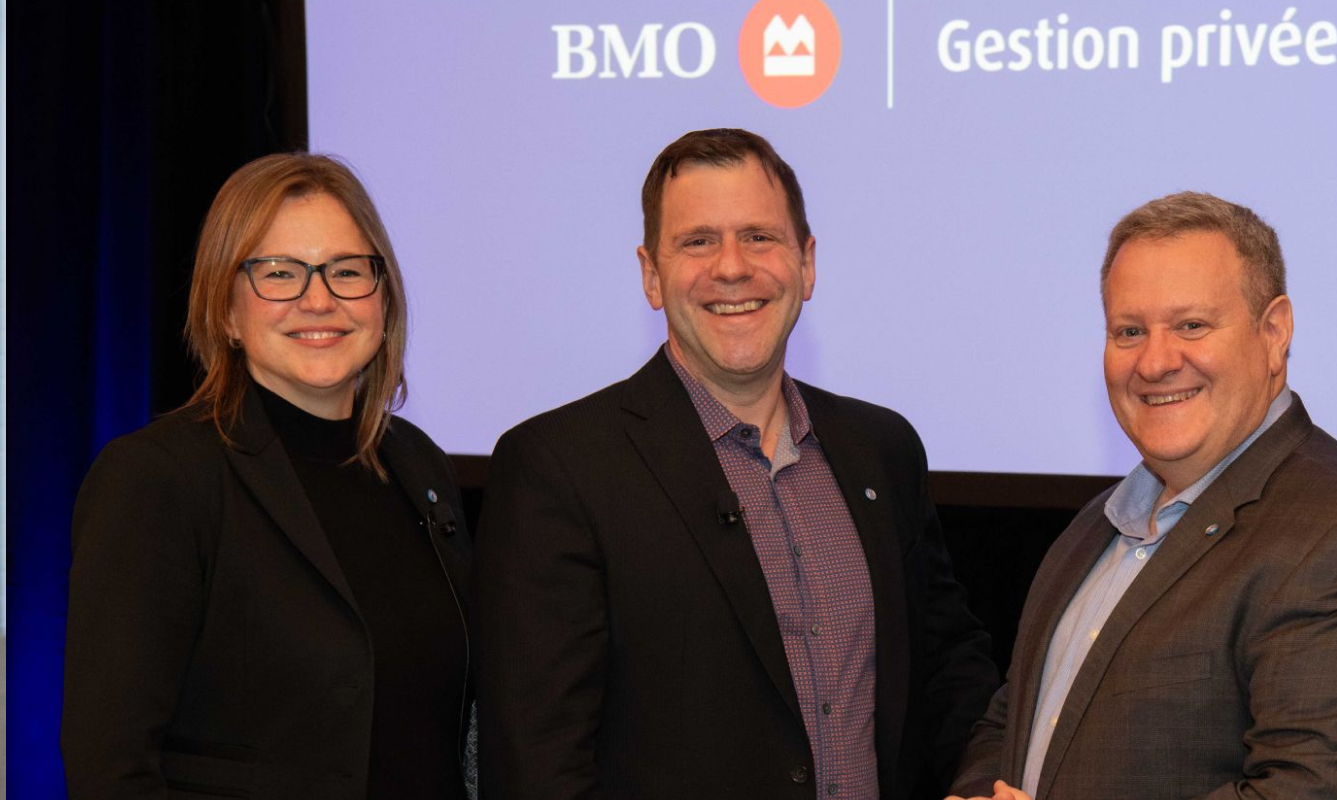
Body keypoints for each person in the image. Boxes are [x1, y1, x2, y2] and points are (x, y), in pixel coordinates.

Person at [475, 128, 998, 799]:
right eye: (698, 241)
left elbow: (948, 669)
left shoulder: (882, 450)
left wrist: (980, 781)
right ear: (650, 274)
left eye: (759, 236)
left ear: (806, 263)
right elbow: (538, 761)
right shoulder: (559, 468)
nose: (731, 267)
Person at [950, 192, 1337, 800]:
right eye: (1129, 331)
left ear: (1274, 333)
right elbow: (1012, 720)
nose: (1155, 362)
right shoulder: (1096, 526)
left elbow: (1306, 792)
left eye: (1191, 325)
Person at [63, 153, 474, 798]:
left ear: (383, 299)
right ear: (226, 311)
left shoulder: (420, 466)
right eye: (279, 273)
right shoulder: (157, 478)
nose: (320, 300)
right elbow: (110, 768)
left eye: (346, 271)